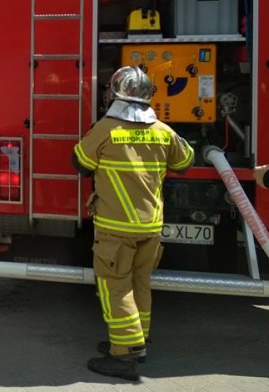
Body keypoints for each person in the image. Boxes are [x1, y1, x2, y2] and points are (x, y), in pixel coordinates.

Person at [72, 66, 194, 382]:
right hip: (150, 227)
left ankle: (123, 356)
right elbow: (185, 161)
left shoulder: (105, 129)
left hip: (116, 227)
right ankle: (137, 343)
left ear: (113, 95)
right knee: (141, 284)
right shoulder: (163, 131)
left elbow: (80, 163)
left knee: (116, 288)